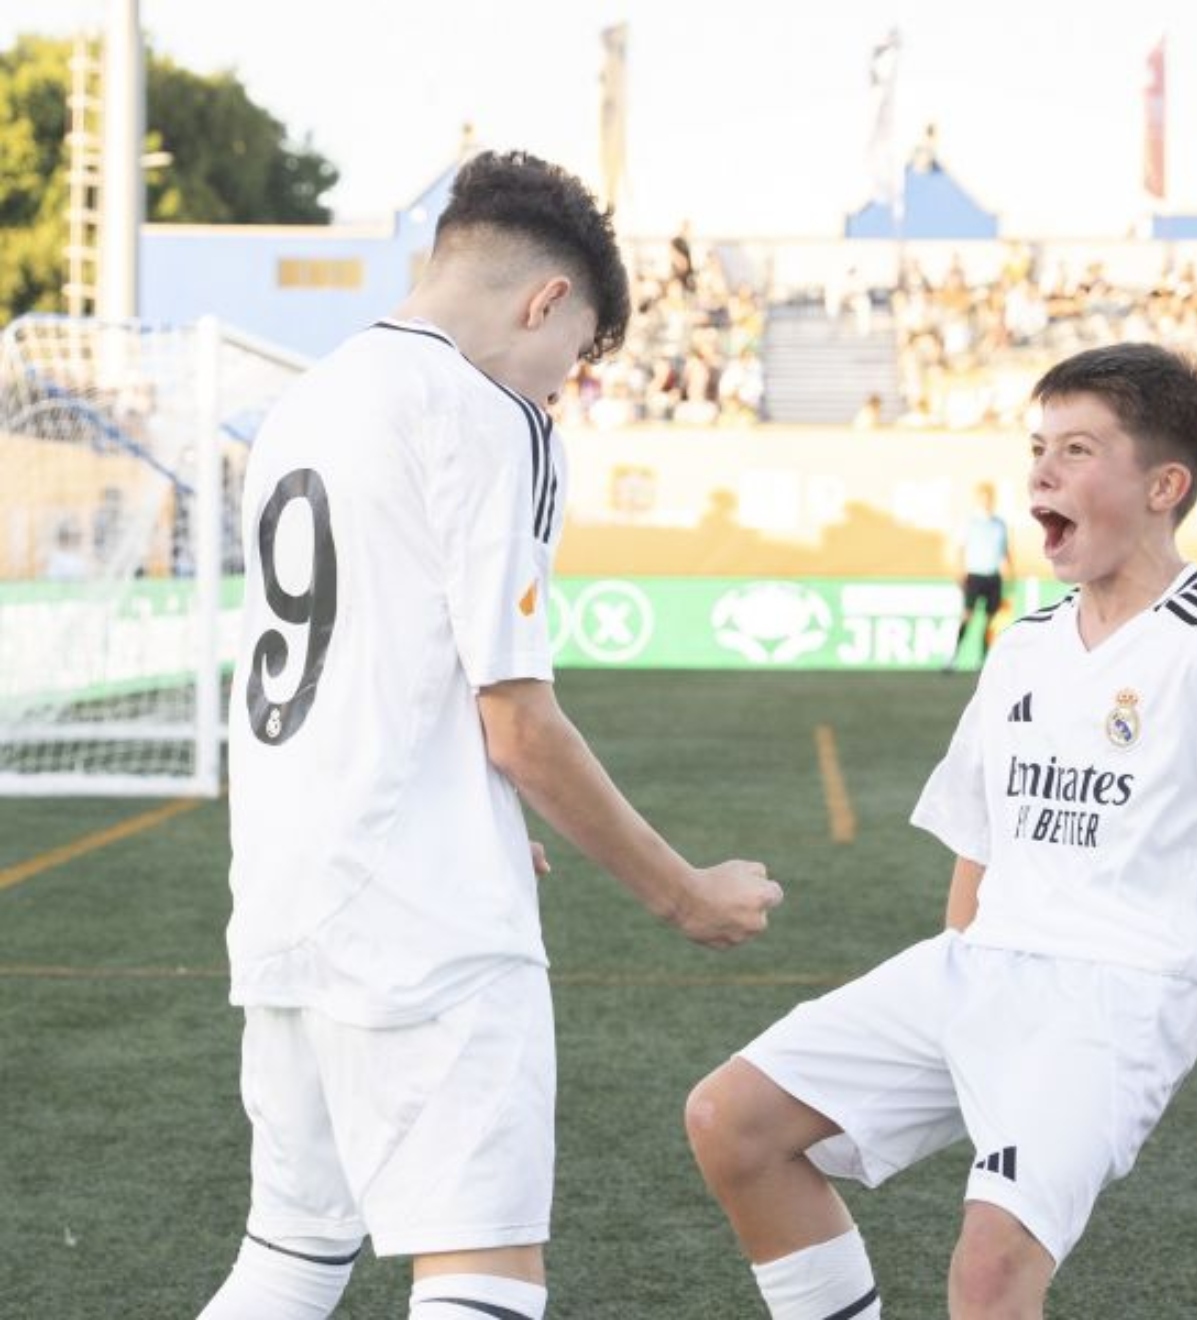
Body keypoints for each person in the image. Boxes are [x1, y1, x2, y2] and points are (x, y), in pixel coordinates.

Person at [200, 151, 784, 1320]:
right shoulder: (487, 412)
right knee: (481, 1268)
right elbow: (516, 721)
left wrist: (453, 806)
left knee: (291, 1255)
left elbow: (374, 662)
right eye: (568, 368)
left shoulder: (304, 401)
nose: (555, 391)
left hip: (283, 890)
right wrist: (684, 893)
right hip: (419, 915)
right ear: (545, 304)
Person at [685, 343, 1197, 1318]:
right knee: (731, 1121)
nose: (1041, 471)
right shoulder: (1026, 644)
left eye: (1077, 449)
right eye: (1038, 447)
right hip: (980, 963)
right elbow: (980, 839)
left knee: (990, 1273)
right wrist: (957, 985)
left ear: (1165, 484)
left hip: (1118, 995)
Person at [943, 481, 1015, 671]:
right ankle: (952, 658)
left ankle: (983, 661)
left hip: (993, 577)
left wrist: (1010, 571)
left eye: (989, 498)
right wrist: (959, 572)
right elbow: (960, 548)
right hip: (974, 576)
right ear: (977, 500)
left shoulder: (999, 524)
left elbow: (1005, 551)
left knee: (990, 620)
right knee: (967, 616)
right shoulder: (969, 522)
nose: (986, 502)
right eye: (983, 498)